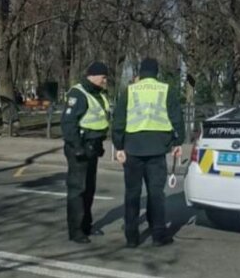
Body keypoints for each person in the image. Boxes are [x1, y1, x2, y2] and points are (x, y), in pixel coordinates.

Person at [112, 57, 184, 248]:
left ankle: (131, 237)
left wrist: (118, 146)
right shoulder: (166, 90)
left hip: (133, 148)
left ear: (141, 72)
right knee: (156, 194)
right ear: (156, 72)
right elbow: (176, 117)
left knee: (132, 194)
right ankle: (158, 235)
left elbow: (119, 120)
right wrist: (178, 142)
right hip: (157, 149)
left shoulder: (129, 91)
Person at [61, 61, 110, 243]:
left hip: (93, 146)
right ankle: (76, 231)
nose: (105, 81)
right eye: (103, 77)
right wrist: (77, 147)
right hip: (80, 146)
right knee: (77, 189)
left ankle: (86, 225)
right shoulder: (78, 93)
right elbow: (68, 123)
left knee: (89, 189)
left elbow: (99, 120)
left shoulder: (97, 94)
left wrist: (99, 144)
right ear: (93, 75)